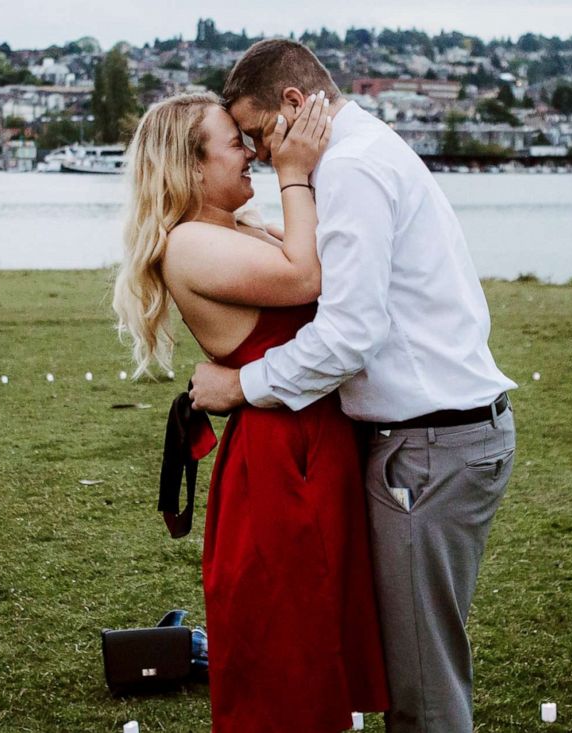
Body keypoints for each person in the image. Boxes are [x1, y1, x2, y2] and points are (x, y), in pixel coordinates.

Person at [189, 40, 518, 733]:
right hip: (433, 438)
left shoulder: (351, 168)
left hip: (431, 445)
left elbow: (348, 334)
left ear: (293, 105)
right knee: (412, 670)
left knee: (422, 691)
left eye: (256, 131)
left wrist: (240, 384)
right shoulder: (358, 153)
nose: (253, 149)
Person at [112, 91, 389, 732]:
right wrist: (295, 173)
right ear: (191, 167)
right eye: (234, 141)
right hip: (280, 462)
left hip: (314, 443)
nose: (252, 151)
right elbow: (305, 278)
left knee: (317, 644)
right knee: (284, 655)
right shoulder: (187, 244)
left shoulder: (234, 230)